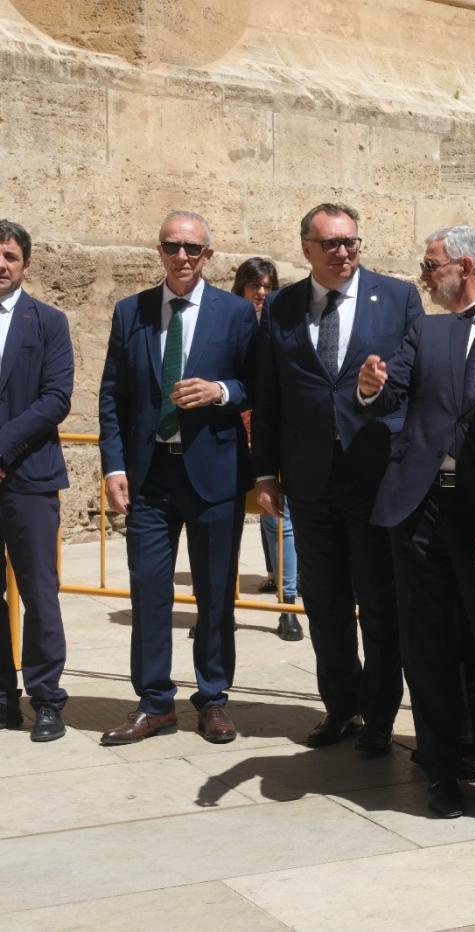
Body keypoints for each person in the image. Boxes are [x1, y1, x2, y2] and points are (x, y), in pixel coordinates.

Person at [357, 229, 475, 817]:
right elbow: (394, 398)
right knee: (428, 641)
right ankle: (439, 765)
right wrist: (372, 389)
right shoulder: (434, 328)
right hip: (419, 506)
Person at [253, 203, 423, 755]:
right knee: (323, 602)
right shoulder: (281, 307)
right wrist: (264, 473)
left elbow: (412, 385)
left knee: (378, 602)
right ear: (306, 248)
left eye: (351, 241)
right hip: (308, 479)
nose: (343, 252)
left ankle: (378, 718)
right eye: (330, 244)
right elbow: (269, 396)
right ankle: (340, 708)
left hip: (374, 476)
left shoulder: (396, 299)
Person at [97, 211, 257, 746]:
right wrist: (114, 465)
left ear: (209, 255)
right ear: (160, 250)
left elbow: (256, 384)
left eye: (193, 249)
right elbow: (112, 397)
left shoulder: (235, 313)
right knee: (148, 591)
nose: (182, 257)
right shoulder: (131, 312)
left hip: (214, 473)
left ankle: (213, 698)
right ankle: (154, 703)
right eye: (172, 246)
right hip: (150, 476)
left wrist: (221, 392)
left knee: (215, 593)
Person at [0, 220, 73, 743]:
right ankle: (4, 697)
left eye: (9, 256)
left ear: (25, 264)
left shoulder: (48, 322)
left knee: (39, 592)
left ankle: (46, 698)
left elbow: (55, 398)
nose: (0, 265)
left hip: (28, 475)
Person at [231, 258, 300, 642]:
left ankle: (287, 603)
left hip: (270, 433)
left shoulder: (281, 325)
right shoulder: (228, 322)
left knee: (280, 519)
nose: (261, 293)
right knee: (229, 520)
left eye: (268, 286)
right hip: (235, 431)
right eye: (254, 285)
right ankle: (222, 603)